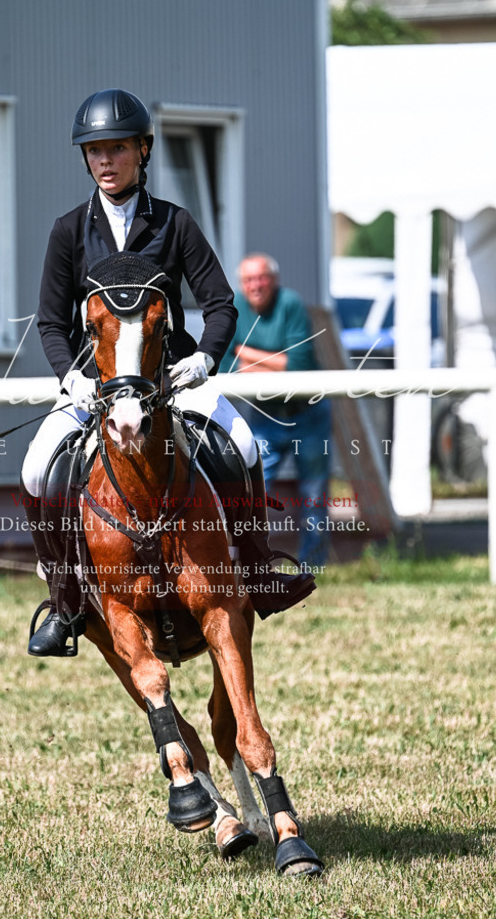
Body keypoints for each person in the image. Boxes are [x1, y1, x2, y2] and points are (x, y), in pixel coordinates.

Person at [22, 90, 314, 656]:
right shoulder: (67, 231)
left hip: (170, 379)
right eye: (95, 151)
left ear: (142, 150)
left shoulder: (175, 224)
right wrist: (70, 377)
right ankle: (65, 602)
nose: (106, 161)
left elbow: (222, 304)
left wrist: (203, 357)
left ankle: (256, 571)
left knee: (246, 443)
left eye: (117, 149)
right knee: (37, 468)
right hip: (96, 382)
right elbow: (51, 321)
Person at [221, 253, 331, 569]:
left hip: (307, 414)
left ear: (274, 280)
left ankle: (314, 565)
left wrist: (245, 353)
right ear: (242, 285)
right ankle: (251, 561)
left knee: (314, 494)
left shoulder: (291, 304)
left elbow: (299, 364)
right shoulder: (236, 309)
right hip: (264, 416)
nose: (256, 285)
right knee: (254, 492)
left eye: (262, 278)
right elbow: (225, 366)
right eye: (249, 280)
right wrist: (274, 361)